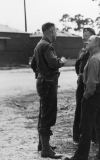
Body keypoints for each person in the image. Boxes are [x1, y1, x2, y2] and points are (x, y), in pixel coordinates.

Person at [64, 35, 100, 160]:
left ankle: (81, 156)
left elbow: (91, 82)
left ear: (96, 44)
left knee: (86, 126)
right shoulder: (98, 57)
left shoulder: (95, 58)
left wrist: (86, 95)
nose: (86, 42)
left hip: (94, 94)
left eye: (90, 40)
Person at [72, 28, 100, 144]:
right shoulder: (83, 50)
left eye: (87, 36)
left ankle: (93, 137)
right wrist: (80, 63)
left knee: (93, 112)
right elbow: (78, 67)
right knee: (80, 109)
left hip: (93, 85)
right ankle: (77, 136)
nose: (84, 39)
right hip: (82, 84)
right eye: (83, 36)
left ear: (94, 39)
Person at [30, 22, 67, 159]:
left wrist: (40, 75)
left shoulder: (39, 45)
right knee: (48, 115)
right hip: (48, 84)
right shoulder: (46, 45)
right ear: (52, 31)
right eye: (55, 31)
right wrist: (61, 61)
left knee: (43, 113)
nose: (56, 33)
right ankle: (46, 150)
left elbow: (33, 64)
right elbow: (53, 63)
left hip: (42, 82)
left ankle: (42, 145)